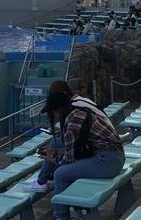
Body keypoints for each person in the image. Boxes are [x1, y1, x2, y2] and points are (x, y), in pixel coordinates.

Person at [25, 91, 123, 219]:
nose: (54, 116)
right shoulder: (78, 112)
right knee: (66, 170)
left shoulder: (72, 122)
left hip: (107, 161)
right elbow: (77, 151)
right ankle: (70, 208)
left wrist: (52, 159)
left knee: (60, 173)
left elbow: (68, 160)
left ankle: (61, 216)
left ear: (57, 110)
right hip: (113, 157)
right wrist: (59, 154)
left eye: (53, 112)